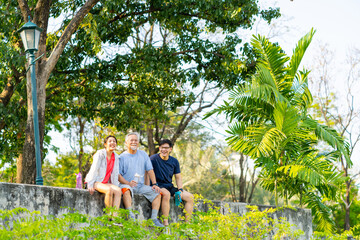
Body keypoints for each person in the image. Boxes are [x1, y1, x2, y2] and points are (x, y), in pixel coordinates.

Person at [118, 132, 164, 227]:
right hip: (125, 184)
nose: (134, 142)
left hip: (140, 186)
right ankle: (130, 216)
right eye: (131, 140)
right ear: (126, 143)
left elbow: (150, 170)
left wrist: (154, 184)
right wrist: (128, 183)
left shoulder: (143, 154)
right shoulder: (122, 157)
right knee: (126, 190)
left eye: (136, 140)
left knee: (157, 193)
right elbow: (118, 175)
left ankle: (154, 219)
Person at [150, 139, 194, 226]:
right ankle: (165, 223)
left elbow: (178, 177)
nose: (164, 150)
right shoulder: (153, 159)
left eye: (166, 148)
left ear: (170, 149)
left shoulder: (174, 161)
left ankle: (187, 225)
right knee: (166, 194)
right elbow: (147, 172)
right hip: (158, 185)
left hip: (169, 186)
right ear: (159, 148)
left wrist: (180, 189)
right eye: (162, 148)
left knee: (190, 197)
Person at [85, 135, 123, 218]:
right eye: (110, 141)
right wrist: (90, 184)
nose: (112, 143)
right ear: (105, 144)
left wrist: (115, 186)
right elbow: (94, 169)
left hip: (106, 182)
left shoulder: (116, 156)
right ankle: (109, 217)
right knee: (109, 190)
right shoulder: (100, 154)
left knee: (118, 190)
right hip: (95, 181)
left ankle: (115, 217)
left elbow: (115, 173)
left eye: (114, 141)